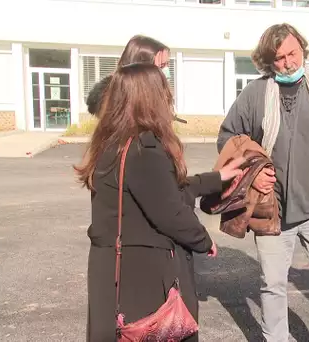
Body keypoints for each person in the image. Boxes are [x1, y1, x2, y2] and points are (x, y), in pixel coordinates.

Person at [75, 63, 243, 342]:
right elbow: (170, 212)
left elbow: (164, 190)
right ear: (151, 98)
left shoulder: (113, 142)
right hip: (141, 275)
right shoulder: (143, 149)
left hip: (115, 270)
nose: (170, 99)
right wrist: (203, 240)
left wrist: (217, 178)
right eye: (164, 91)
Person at [217, 23, 309, 342]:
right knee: (273, 284)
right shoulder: (255, 93)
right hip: (272, 207)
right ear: (268, 61)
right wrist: (253, 170)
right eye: (278, 58)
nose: (288, 62)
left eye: (292, 53)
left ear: (303, 50)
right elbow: (228, 137)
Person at [86, 34, 172, 116]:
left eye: (168, 64)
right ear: (139, 68)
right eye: (161, 66)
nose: (166, 72)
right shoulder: (116, 108)